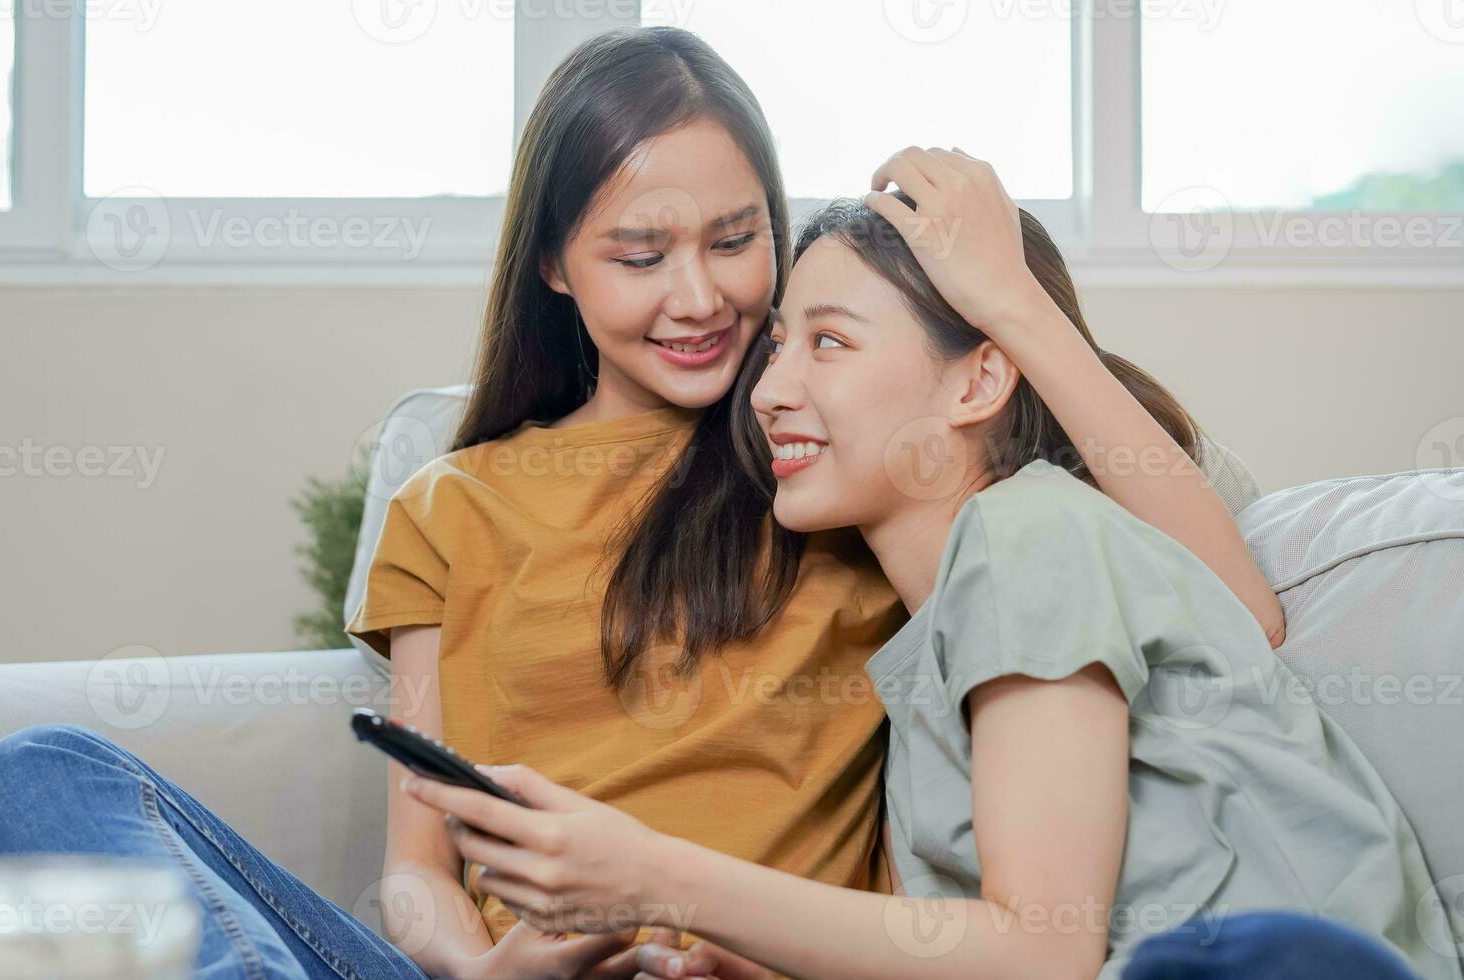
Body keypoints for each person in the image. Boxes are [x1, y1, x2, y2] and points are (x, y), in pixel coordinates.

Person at [0, 29, 1283, 979]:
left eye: (735, 238)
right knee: (52, 768)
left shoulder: (826, 472)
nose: (701, 296)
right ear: (553, 262)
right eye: (638, 253)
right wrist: (491, 971)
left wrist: (1012, 302)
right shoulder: (451, 502)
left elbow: (1214, 602)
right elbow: (415, 869)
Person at [396, 151, 1455, 980]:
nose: (767, 393)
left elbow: (1042, 950)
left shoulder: (1031, 532)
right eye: (777, 347)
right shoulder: (926, 672)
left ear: (979, 378)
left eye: (829, 343)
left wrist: (653, 870)